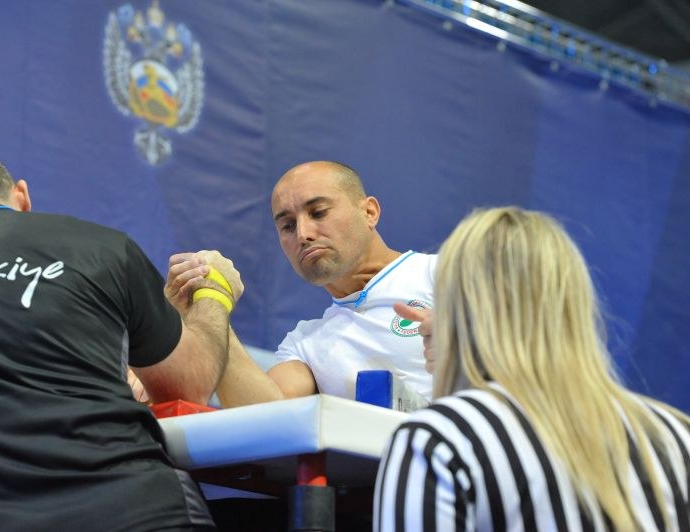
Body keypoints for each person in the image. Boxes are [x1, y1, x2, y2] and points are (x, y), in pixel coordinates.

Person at [0, 150, 243, 531]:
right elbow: (188, 385)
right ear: (21, 196)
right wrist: (214, 294)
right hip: (139, 512)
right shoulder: (102, 246)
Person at [374, 207, 690, 531]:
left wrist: (459, 366)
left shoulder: (438, 439)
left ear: (458, 306)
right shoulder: (678, 437)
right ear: (575, 299)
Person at [166, 161, 437, 407]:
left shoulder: (443, 274)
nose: (303, 234)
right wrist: (213, 308)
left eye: (318, 213)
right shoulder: (305, 344)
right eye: (287, 226)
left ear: (369, 212)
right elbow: (262, 415)